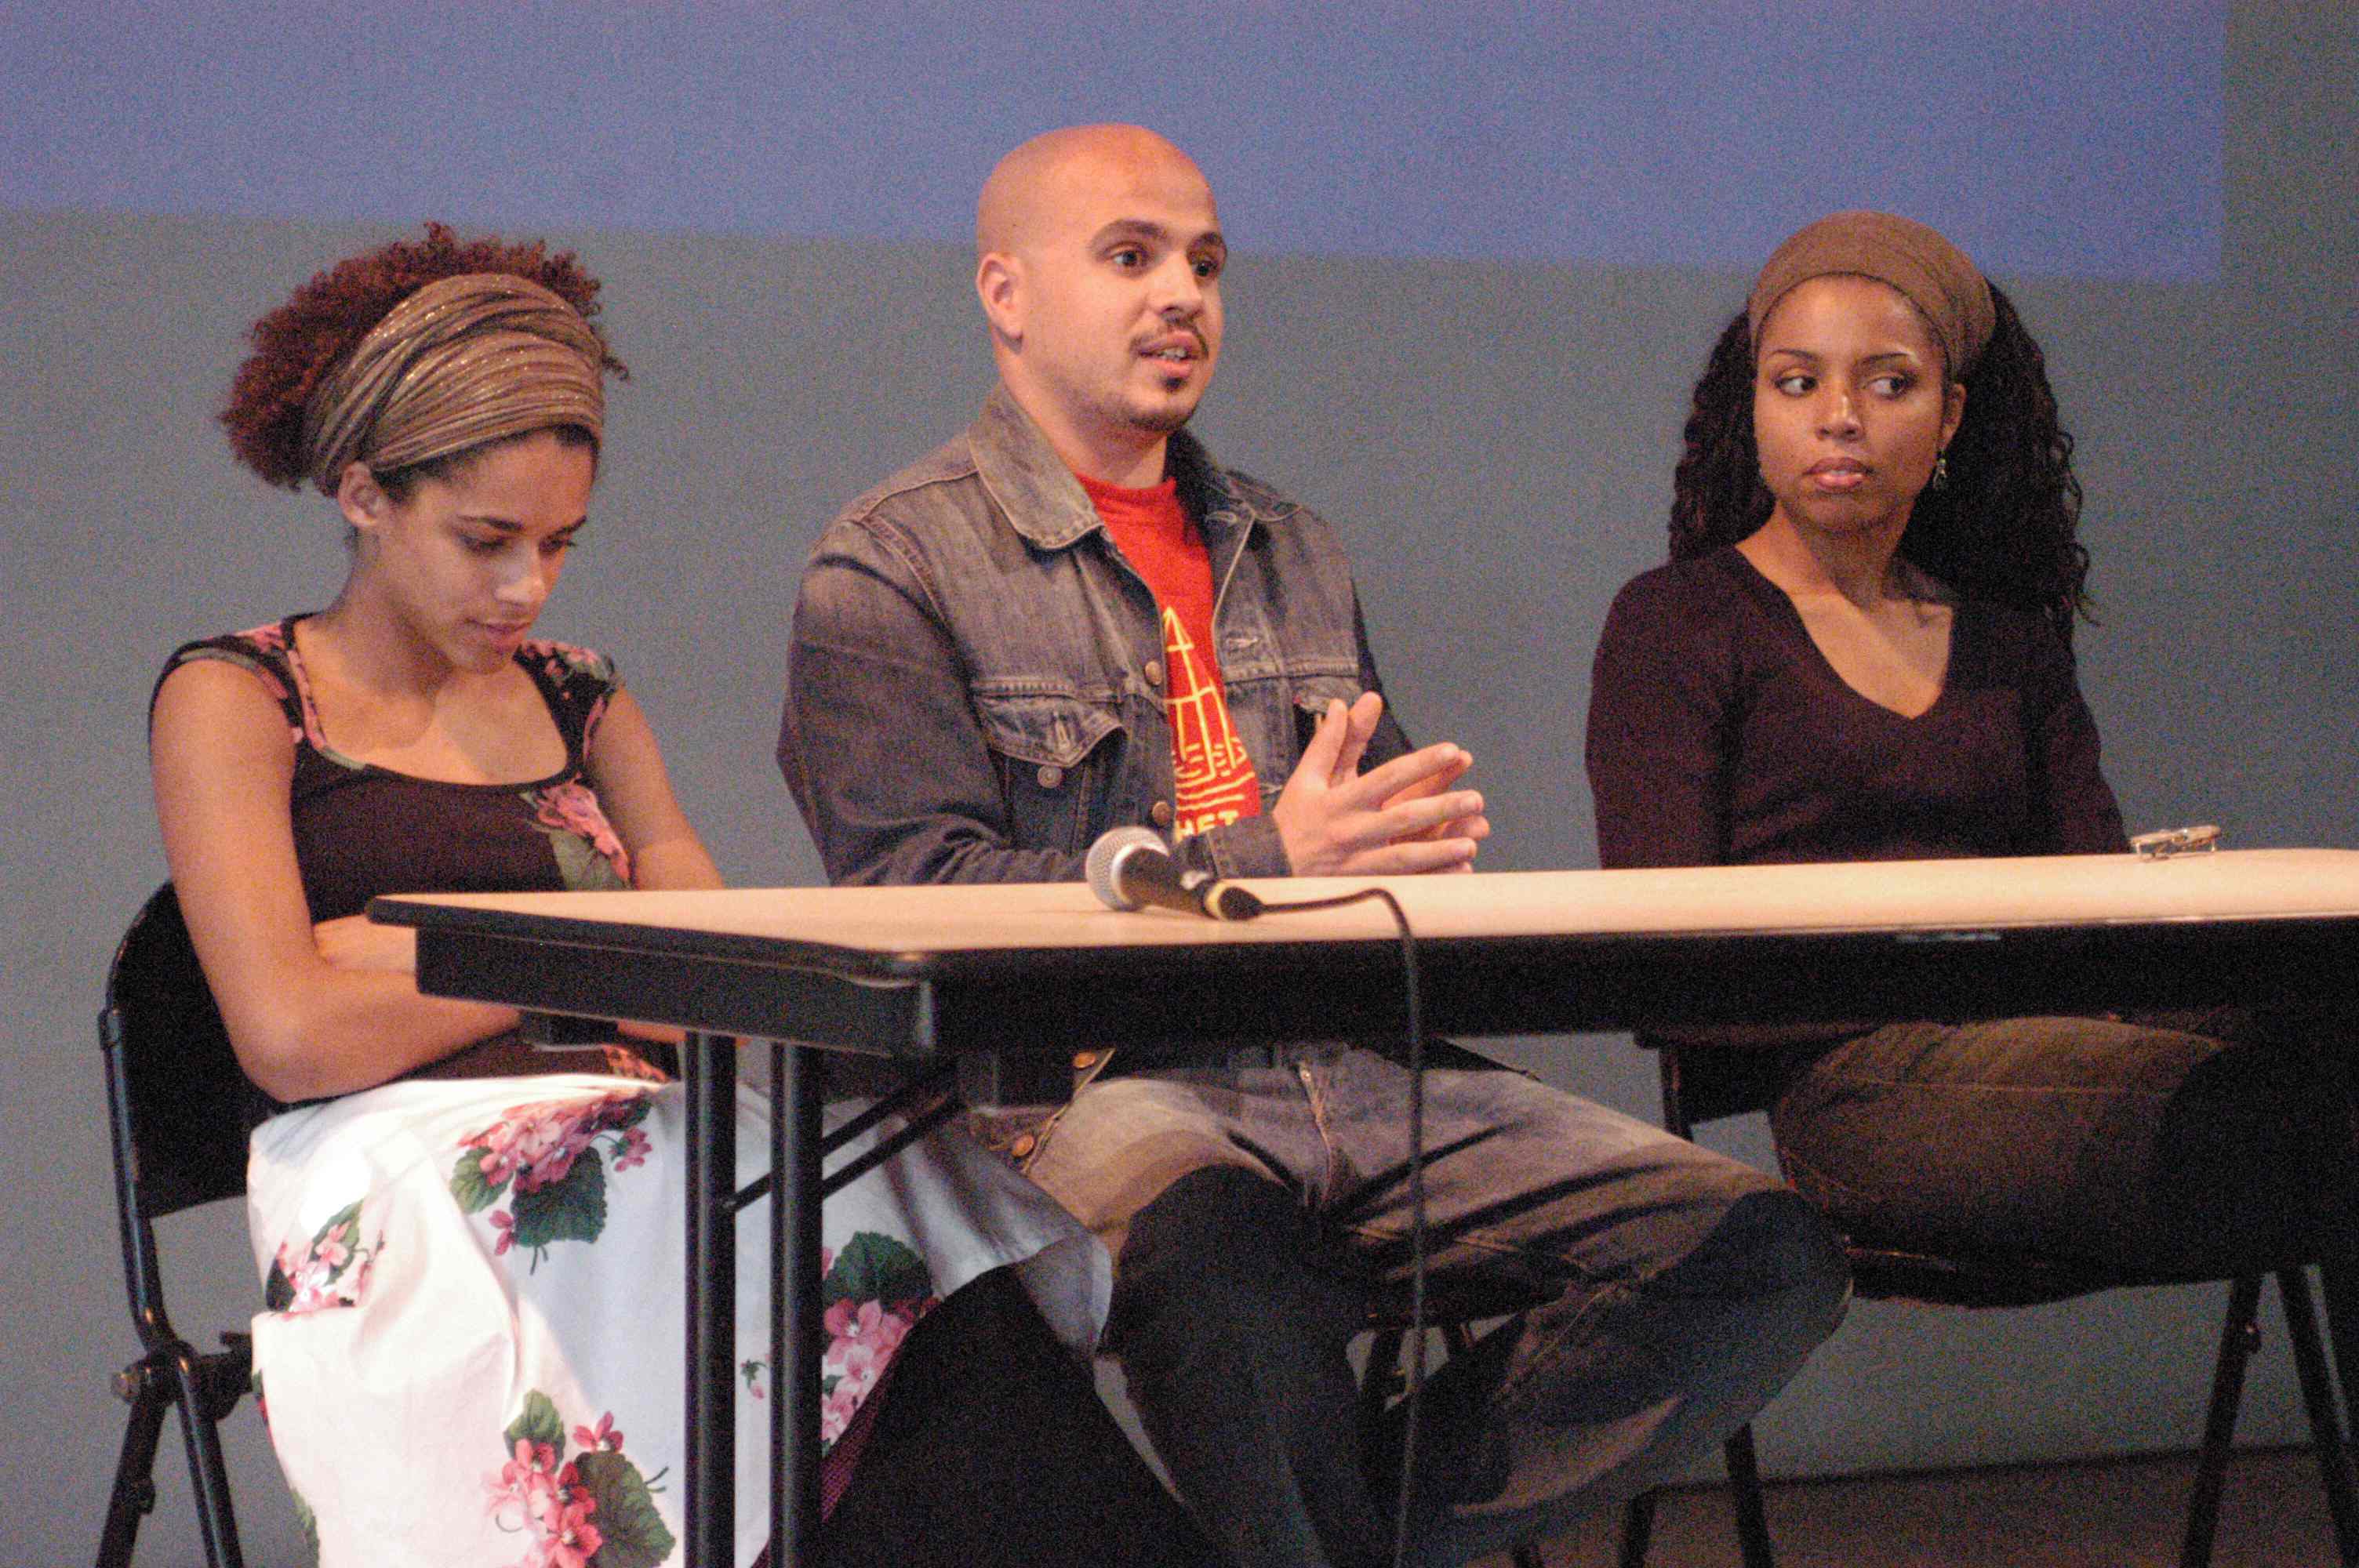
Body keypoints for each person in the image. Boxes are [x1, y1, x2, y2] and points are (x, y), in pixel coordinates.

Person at [780, 124, 1849, 1568]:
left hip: (1348, 1065)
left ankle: (1342, 1542)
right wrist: (1266, 858)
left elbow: (1363, 828)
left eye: (1205, 263)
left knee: (1760, 1253)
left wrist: (1408, 844)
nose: (1183, 295)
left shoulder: (1289, 547)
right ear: (1006, 294)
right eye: (1131, 257)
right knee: (1217, 1252)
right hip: (1084, 1090)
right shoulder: (892, 563)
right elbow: (918, 896)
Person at [150, 223, 1219, 1568]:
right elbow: (290, 1038)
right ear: (365, 494)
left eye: (559, 544)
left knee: (877, 1219)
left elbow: (707, 972)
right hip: (401, 1167)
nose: (525, 587)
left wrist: (420, 959)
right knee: (791, 1238)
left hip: (642, 1128)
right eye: (485, 540)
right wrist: (574, 967)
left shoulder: (579, 697)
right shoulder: (241, 699)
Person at [1586, 209, 2354, 1276]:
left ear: (1949, 415)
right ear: (1752, 406)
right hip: (1858, 1089)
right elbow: (1664, 951)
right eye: (1797, 384)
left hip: (2059, 1039)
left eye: (1888, 384)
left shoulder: (2007, 645)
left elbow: (2100, 903)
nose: (1839, 418)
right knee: (2275, 1123)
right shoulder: (1680, 622)